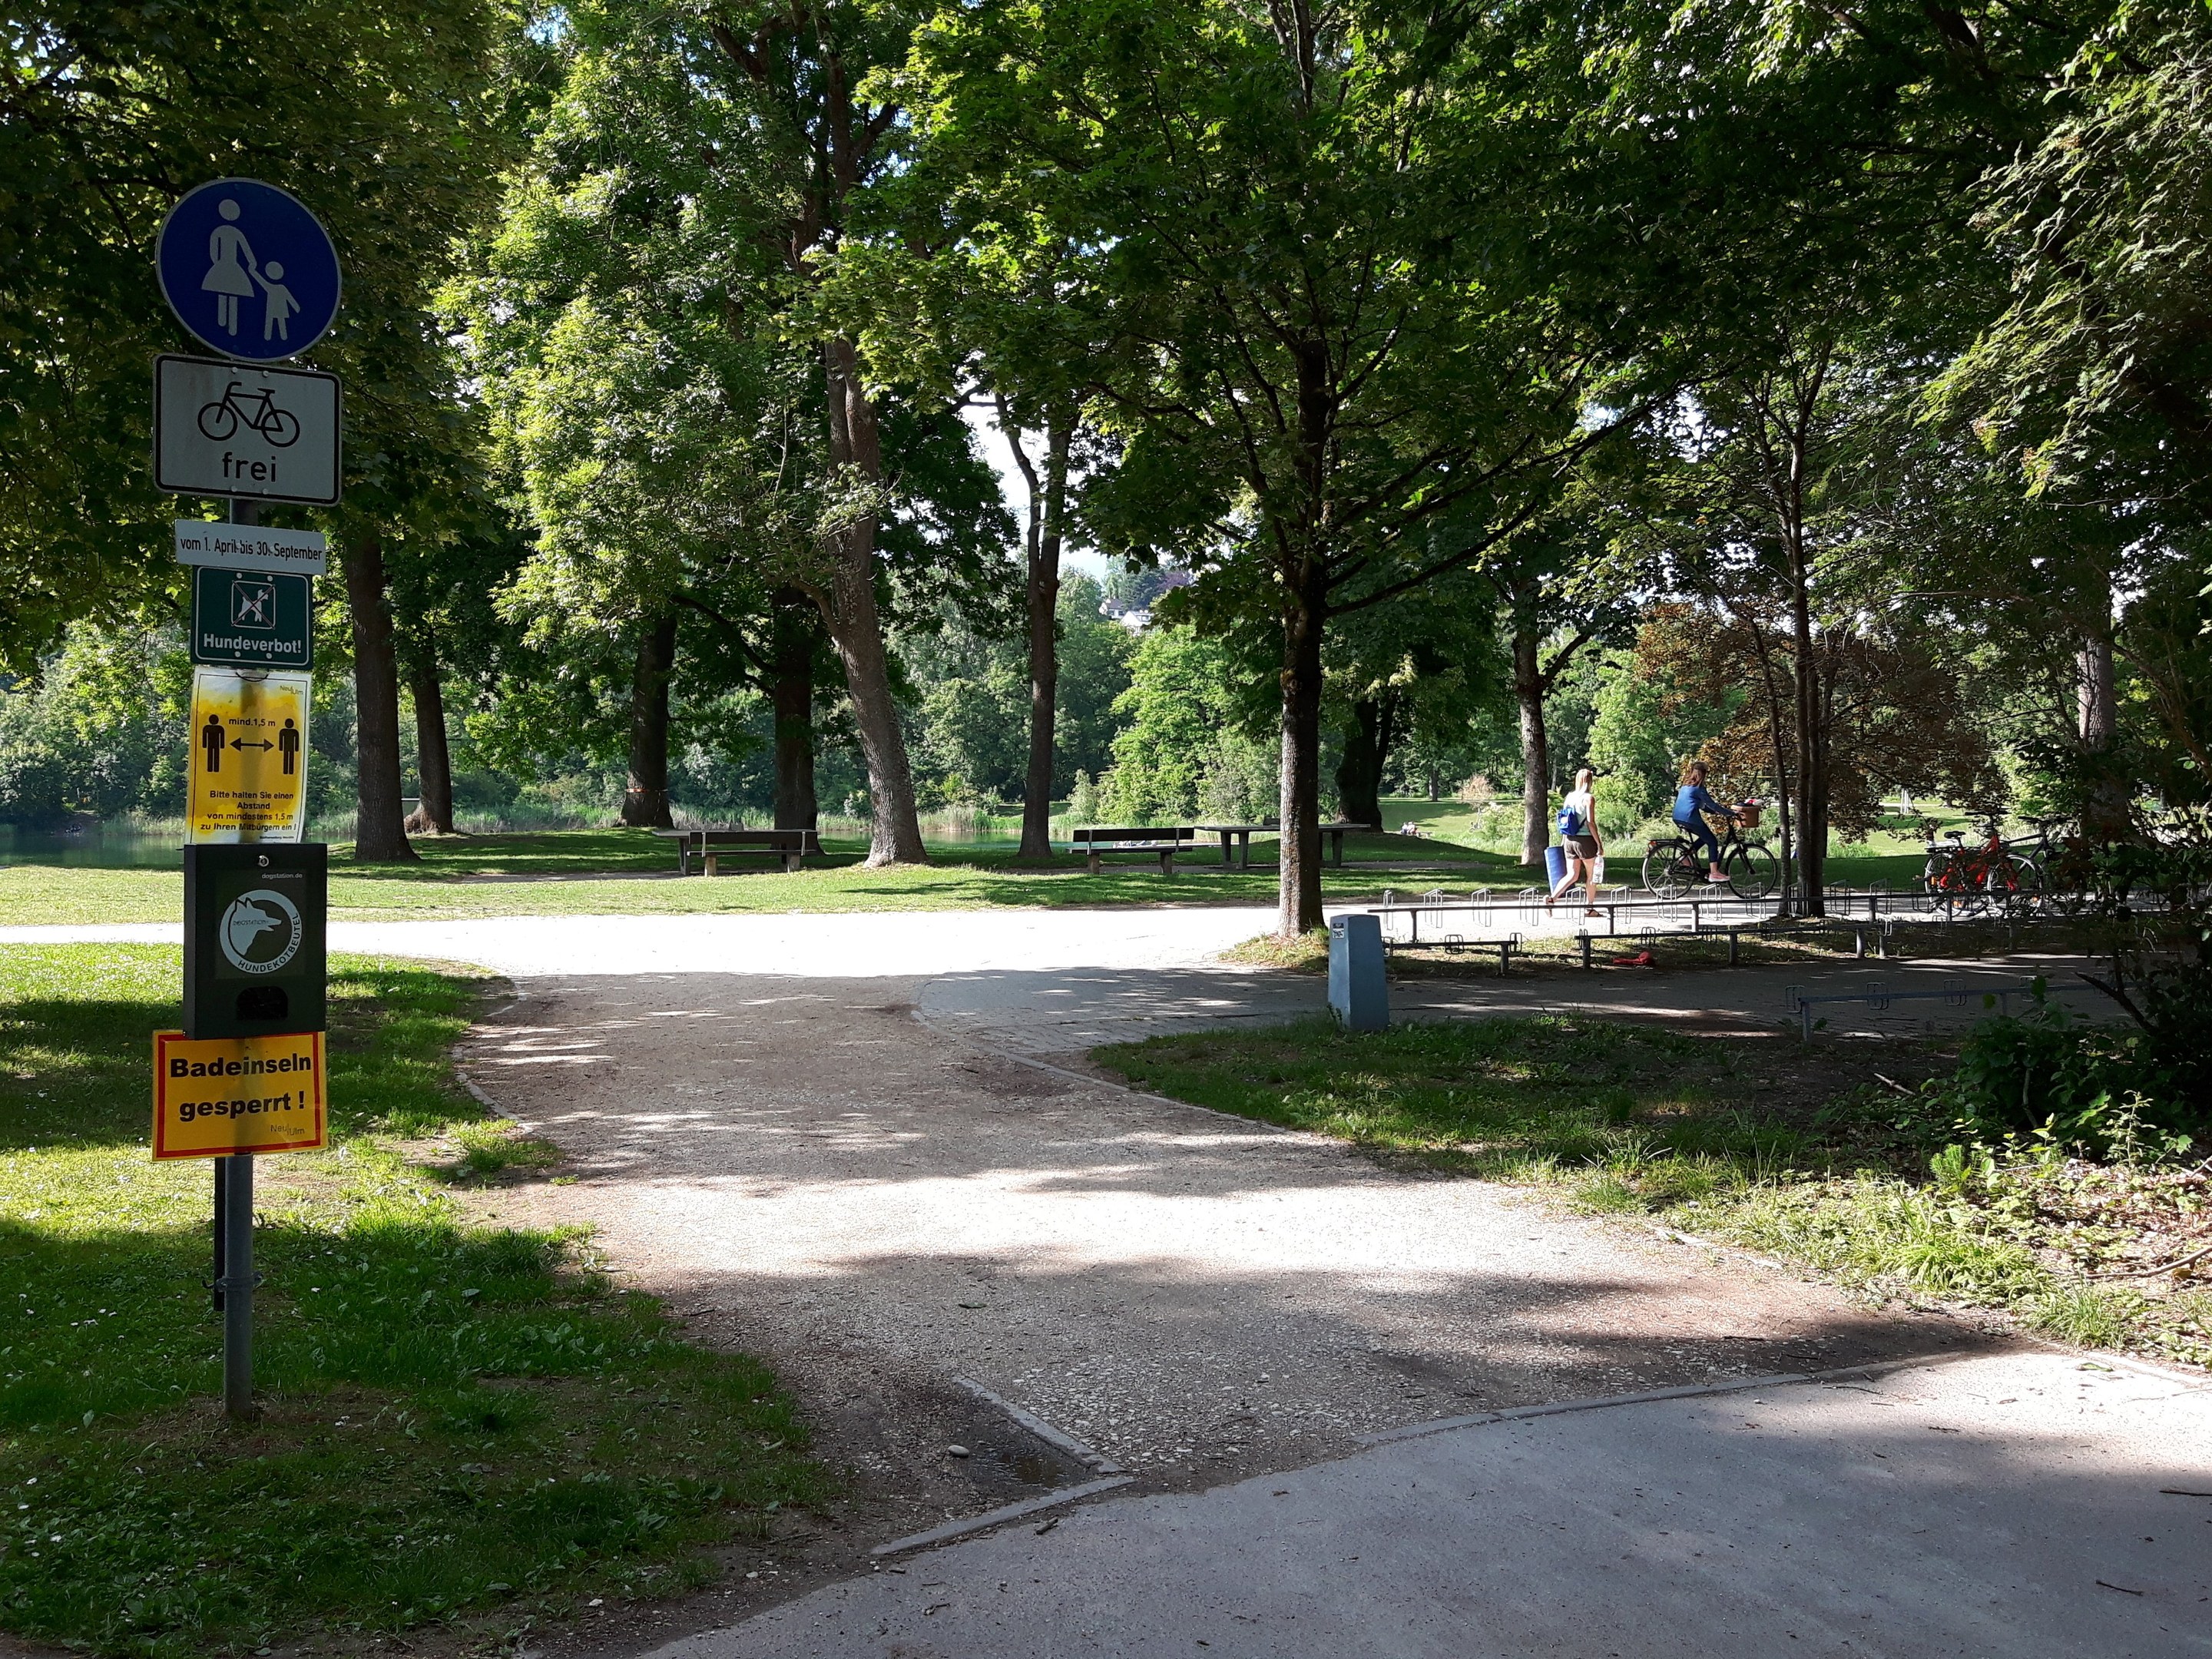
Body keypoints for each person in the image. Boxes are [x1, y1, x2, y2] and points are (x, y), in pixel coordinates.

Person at [1547, 767, 1604, 915]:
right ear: (1590, 781)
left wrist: (1563, 839)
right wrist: (1599, 843)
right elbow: (1591, 823)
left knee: (1571, 874)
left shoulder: (1569, 797)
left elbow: (1565, 820)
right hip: (1585, 841)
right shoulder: (1589, 798)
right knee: (1592, 875)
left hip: (1569, 840)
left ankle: (1552, 900)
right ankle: (1589, 908)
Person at [1674, 760, 1735, 883]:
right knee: (1712, 841)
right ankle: (1714, 873)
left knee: (1704, 837)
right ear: (1703, 774)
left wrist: (1715, 812)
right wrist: (1730, 813)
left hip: (1678, 817)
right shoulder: (1699, 788)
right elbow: (1712, 804)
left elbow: (1702, 806)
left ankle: (1685, 857)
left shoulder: (1686, 786)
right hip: (1690, 818)